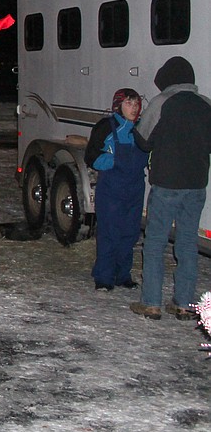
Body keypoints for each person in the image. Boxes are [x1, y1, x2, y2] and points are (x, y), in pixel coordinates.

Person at [130, 56, 211, 321]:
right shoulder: (206, 105)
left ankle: (152, 303)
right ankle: (185, 303)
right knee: (188, 243)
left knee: (155, 243)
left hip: (166, 184)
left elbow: (143, 140)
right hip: (196, 186)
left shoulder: (162, 103)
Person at [84, 88, 149, 291]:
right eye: (129, 103)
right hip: (112, 189)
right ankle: (104, 276)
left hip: (135, 189)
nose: (133, 108)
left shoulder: (141, 129)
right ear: (118, 106)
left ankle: (122, 274)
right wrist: (111, 161)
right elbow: (91, 156)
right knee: (109, 233)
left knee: (129, 233)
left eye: (136, 104)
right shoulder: (106, 126)